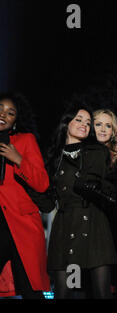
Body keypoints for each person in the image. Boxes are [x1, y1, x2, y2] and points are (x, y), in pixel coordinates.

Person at [46, 106, 117, 299]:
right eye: (79, 120)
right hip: (67, 228)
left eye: (88, 123)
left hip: (94, 226)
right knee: (69, 292)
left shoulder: (96, 151)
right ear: (66, 122)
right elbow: (47, 201)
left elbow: (88, 182)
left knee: (102, 293)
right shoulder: (55, 157)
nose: (84, 125)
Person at [0, 92, 50, 299]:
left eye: (10, 113)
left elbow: (42, 183)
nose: (3, 114)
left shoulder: (25, 140)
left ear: (15, 121)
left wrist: (18, 159)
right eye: (0, 108)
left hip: (21, 225)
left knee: (30, 288)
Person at [93, 109, 117, 298]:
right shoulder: (84, 152)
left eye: (107, 125)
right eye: (98, 124)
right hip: (92, 223)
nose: (102, 129)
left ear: (113, 129)